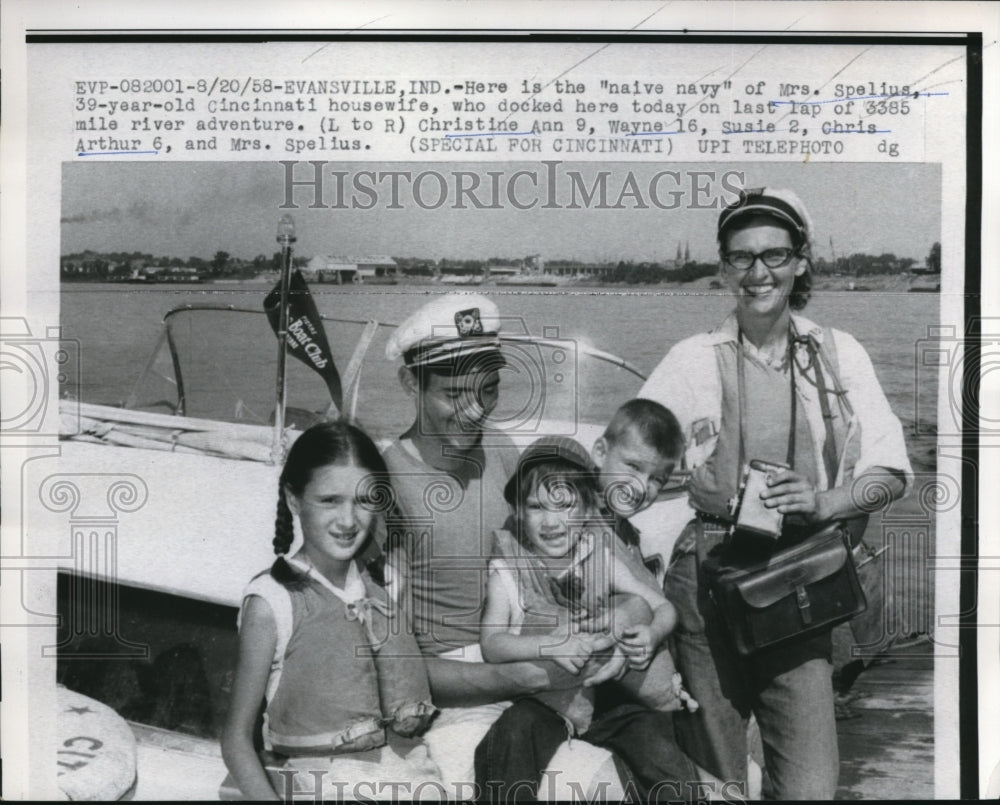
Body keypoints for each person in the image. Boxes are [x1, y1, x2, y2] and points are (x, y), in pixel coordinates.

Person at [639, 187, 914, 799]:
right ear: (722, 268)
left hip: (798, 581)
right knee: (714, 780)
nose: (758, 272)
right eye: (741, 257)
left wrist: (823, 501)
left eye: (775, 255)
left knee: (810, 784)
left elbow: (890, 472)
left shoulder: (841, 355)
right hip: (704, 579)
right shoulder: (689, 361)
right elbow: (626, 470)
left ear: (801, 261)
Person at [381, 294, 697, 800]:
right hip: (465, 701)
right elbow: (395, 665)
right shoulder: (386, 484)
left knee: (665, 782)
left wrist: (621, 619)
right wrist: (531, 674)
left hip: (554, 675)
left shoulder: (502, 451)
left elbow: (579, 555)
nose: (474, 411)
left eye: (488, 391)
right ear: (409, 383)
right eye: (454, 394)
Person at [221, 421, 440, 801]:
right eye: (330, 500)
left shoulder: (388, 583)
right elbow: (237, 739)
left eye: (364, 501)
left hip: (418, 780)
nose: (348, 520)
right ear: (294, 499)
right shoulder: (271, 603)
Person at [479, 437, 698, 780]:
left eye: (564, 506)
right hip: (545, 701)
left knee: (660, 752)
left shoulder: (602, 560)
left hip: (609, 700)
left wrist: (652, 633)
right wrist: (550, 645)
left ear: (585, 510)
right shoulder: (508, 571)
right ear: (519, 512)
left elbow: (664, 609)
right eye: (537, 507)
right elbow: (492, 644)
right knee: (508, 737)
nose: (550, 522)